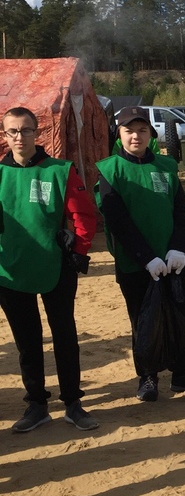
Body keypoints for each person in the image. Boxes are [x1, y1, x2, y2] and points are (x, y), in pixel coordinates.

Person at [96, 106, 185, 401]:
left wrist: (178, 249)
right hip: (134, 263)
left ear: (151, 133)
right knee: (143, 320)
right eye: (129, 131)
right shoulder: (110, 170)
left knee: (183, 317)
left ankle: (183, 373)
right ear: (119, 134)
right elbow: (118, 221)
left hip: (172, 261)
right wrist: (146, 258)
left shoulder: (166, 167)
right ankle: (148, 376)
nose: (136, 136)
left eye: (142, 130)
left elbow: (181, 213)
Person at [0, 106, 98, 432]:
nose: (19, 137)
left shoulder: (59, 170)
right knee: (27, 342)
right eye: (13, 131)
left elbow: (84, 215)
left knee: (64, 336)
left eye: (26, 130)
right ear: (5, 135)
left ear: (36, 133)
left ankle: (72, 402)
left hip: (56, 266)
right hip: (11, 271)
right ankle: (37, 405)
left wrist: (79, 251)